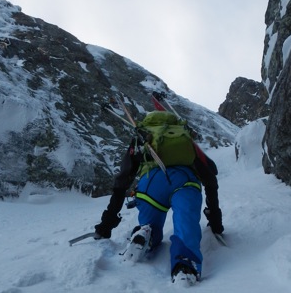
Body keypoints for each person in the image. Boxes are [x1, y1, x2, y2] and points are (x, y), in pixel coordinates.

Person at [94, 113, 223, 284]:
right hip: (185, 183)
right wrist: (215, 219)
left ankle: (146, 234)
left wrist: (106, 224)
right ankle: (184, 265)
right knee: (186, 223)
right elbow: (210, 178)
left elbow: (122, 180)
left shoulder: (143, 138)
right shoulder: (184, 140)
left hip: (151, 185)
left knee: (151, 223)